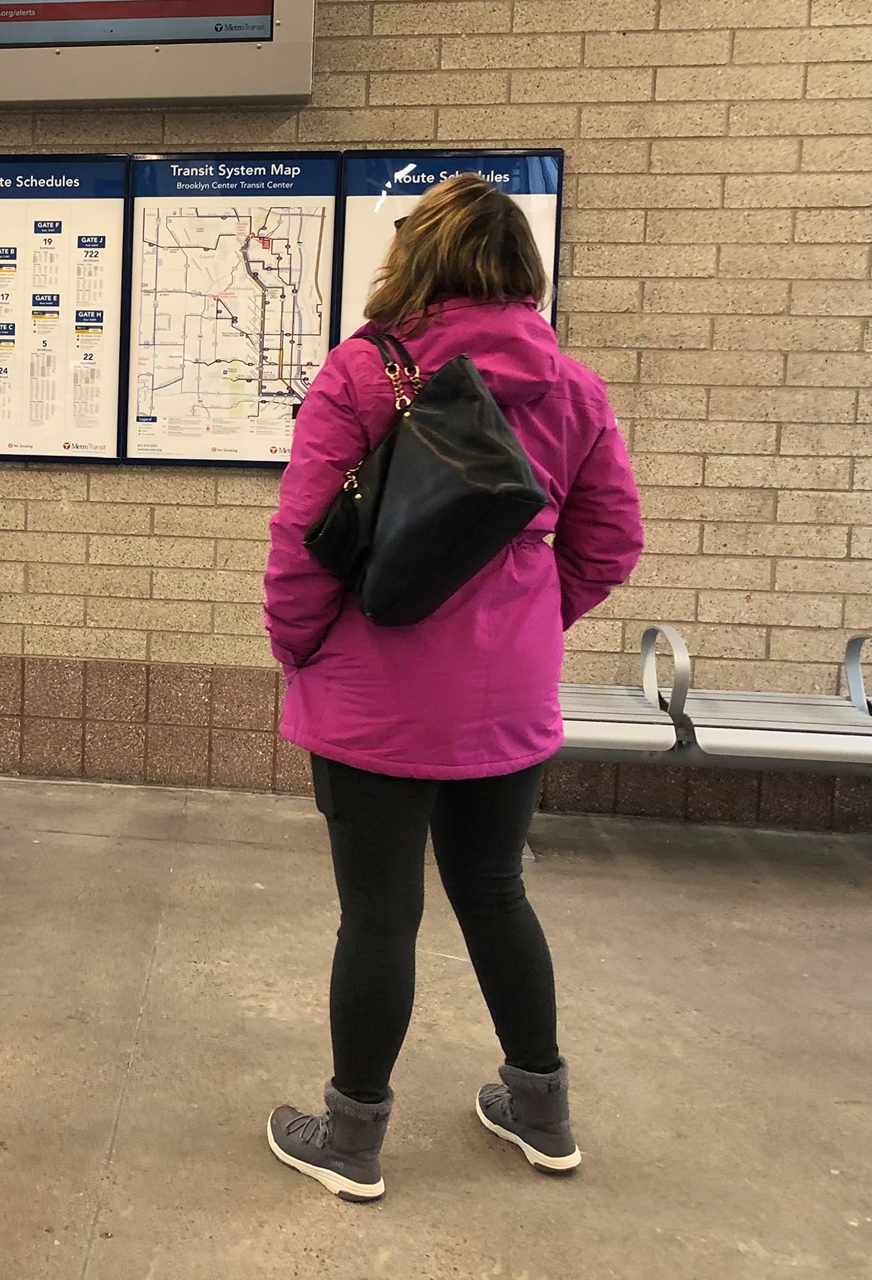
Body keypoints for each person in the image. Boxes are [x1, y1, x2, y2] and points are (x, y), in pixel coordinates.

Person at [260, 174, 643, 1202]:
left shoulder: (362, 374)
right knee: (493, 890)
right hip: (509, 700)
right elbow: (609, 544)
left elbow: (304, 545)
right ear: (522, 273)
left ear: (414, 262)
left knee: (378, 916)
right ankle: (540, 1108)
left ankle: (348, 1139)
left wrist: (297, 649)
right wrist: (527, 619)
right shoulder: (572, 387)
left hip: (373, 692)